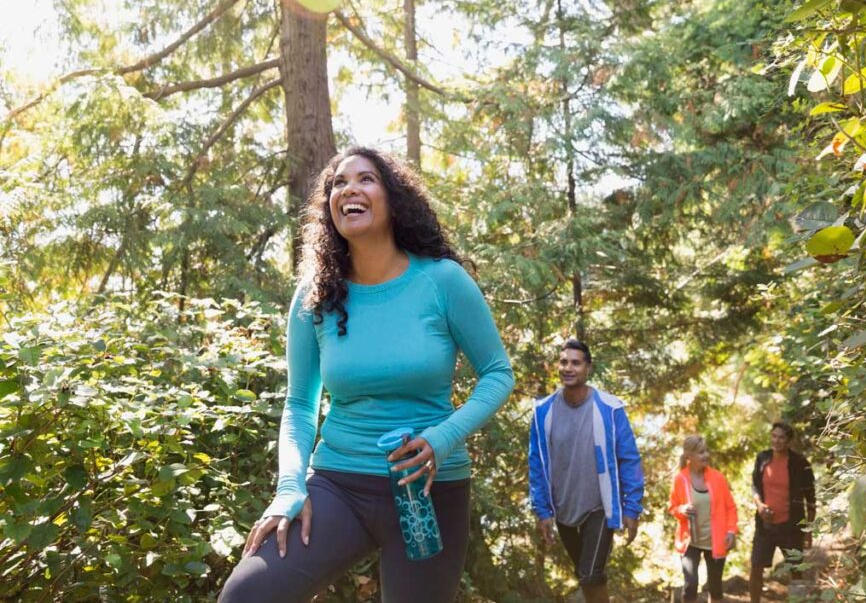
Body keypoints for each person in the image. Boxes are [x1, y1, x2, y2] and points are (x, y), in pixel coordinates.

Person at [219, 147, 515, 602]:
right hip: (339, 484)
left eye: (366, 179)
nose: (349, 189)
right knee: (248, 594)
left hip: (429, 491)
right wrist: (289, 488)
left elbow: (497, 374)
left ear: (394, 198)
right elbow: (300, 403)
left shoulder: (443, 281)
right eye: (338, 182)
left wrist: (441, 438)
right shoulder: (316, 293)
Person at [528, 339, 644, 603]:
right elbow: (537, 463)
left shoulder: (609, 408)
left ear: (588, 368)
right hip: (564, 509)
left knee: (590, 574)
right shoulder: (542, 412)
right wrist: (542, 511)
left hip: (599, 506)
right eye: (564, 362)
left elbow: (629, 459)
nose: (568, 368)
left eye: (576, 363)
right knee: (587, 576)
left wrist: (632, 507)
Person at [749, 421, 816, 603]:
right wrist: (760, 505)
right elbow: (755, 486)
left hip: (791, 527)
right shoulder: (762, 458)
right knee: (756, 567)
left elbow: (810, 499)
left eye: (781, 438)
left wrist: (808, 530)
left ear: (789, 441)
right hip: (765, 526)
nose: (777, 441)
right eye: (774, 436)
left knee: (796, 570)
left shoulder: (800, 464)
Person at [668, 435, 738, 603]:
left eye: (706, 451)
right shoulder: (680, 479)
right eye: (700, 452)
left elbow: (731, 507)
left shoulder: (718, 478)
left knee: (715, 587)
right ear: (689, 456)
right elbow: (672, 507)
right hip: (689, 541)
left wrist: (731, 531)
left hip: (716, 540)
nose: (705, 455)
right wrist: (682, 510)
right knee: (690, 585)